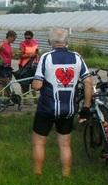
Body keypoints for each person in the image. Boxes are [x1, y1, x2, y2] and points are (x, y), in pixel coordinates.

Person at [31, 27, 92, 177]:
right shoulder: (77, 57)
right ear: (67, 42)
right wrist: (86, 106)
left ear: (49, 42)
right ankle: (66, 175)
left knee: (39, 142)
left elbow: (37, 85)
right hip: (68, 109)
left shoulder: (46, 57)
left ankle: (37, 175)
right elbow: (89, 82)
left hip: (47, 108)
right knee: (65, 144)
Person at [17, 30, 40, 98]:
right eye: (25, 38)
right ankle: (25, 98)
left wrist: (37, 56)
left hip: (33, 65)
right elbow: (20, 56)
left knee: (33, 81)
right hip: (24, 65)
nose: (27, 39)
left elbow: (36, 52)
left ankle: (35, 97)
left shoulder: (35, 42)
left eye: (29, 38)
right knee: (24, 83)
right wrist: (30, 55)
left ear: (32, 38)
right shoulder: (22, 44)